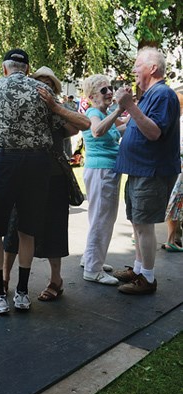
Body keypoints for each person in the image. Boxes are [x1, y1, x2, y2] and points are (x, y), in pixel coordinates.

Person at [0, 49, 66, 314]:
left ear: (4, 67)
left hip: (4, 161)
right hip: (37, 164)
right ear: (28, 69)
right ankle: (22, 294)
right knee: (27, 230)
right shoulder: (43, 91)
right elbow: (61, 122)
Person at [1, 66, 90, 300]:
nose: (43, 87)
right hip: (26, 177)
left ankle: (56, 281)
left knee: (54, 230)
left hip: (54, 177)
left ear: (55, 88)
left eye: (49, 84)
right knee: (13, 229)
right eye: (39, 82)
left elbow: (81, 125)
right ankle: (4, 278)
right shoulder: (23, 107)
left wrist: (54, 108)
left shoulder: (59, 109)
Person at [112, 47, 180, 294]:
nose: (133, 70)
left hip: (151, 171)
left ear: (152, 68)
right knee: (137, 223)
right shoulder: (151, 94)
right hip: (139, 170)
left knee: (143, 225)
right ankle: (139, 270)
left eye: (137, 65)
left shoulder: (162, 94)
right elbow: (132, 126)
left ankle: (148, 279)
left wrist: (131, 105)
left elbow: (154, 132)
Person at [79, 74, 126, 285]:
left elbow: (119, 128)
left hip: (104, 171)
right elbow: (97, 131)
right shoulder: (93, 113)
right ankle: (92, 269)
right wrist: (119, 109)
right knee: (102, 219)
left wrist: (132, 111)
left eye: (110, 88)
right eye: (104, 90)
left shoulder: (103, 113)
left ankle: (90, 259)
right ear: (91, 96)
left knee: (97, 217)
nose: (109, 93)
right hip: (102, 171)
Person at [161, 92, 183, 252]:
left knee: (174, 201)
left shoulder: (171, 119)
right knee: (175, 201)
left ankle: (174, 238)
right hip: (178, 166)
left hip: (172, 164)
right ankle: (171, 240)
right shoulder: (177, 120)